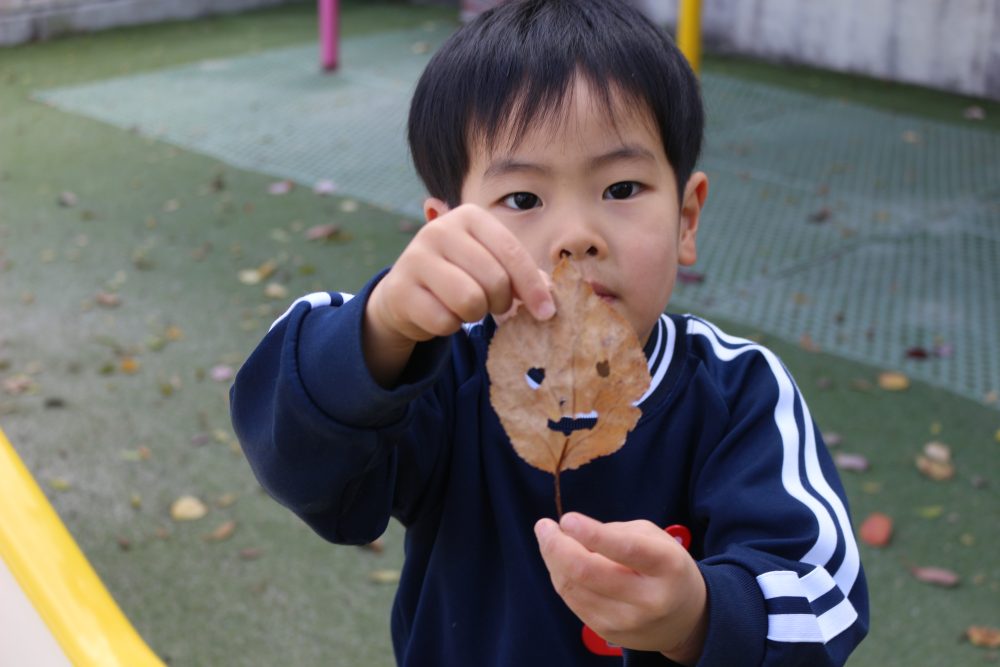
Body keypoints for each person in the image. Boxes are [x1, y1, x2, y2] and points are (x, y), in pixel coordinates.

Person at [229, 1, 869, 664]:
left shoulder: (741, 394)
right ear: (445, 228)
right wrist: (384, 323)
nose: (576, 237)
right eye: (524, 199)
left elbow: (827, 601)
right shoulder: (438, 376)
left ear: (686, 218)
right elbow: (299, 460)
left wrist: (700, 614)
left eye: (621, 188)